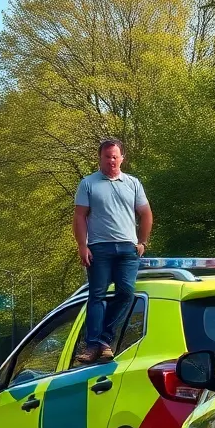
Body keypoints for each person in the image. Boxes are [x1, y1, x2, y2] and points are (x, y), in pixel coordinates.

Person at [72, 138, 153, 364]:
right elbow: (79, 216)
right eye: (107, 157)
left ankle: (104, 340)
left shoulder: (133, 183)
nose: (111, 161)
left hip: (128, 249)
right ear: (100, 158)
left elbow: (146, 214)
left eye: (115, 156)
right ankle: (92, 345)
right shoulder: (88, 183)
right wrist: (82, 245)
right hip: (99, 248)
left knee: (126, 292)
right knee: (97, 295)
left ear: (122, 158)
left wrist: (143, 242)